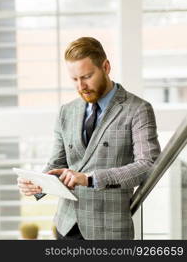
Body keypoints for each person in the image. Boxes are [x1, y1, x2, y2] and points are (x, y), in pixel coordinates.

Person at [17, 37, 161, 240]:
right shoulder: (66, 112)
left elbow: (148, 165)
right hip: (66, 227)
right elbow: (57, 163)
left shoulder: (138, 110)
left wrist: (90, 179)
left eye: (87, 76)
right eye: (74, 79)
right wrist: (37, 185)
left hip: (108, 232)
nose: (81, 86)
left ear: (106, 67)